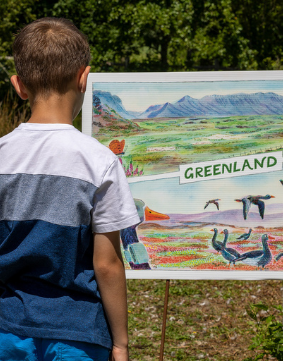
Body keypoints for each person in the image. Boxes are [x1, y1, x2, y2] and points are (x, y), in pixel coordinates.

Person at [0, 18, 139, 361]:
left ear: (19, 85)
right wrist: (120, 343)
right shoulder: (100, 162)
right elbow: (107, 265)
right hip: (77, 335)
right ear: (84, 78)